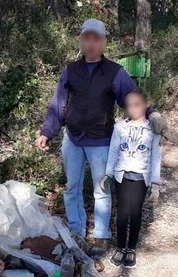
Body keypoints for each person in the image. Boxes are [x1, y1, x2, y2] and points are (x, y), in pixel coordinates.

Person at [37, 19, 166, 256]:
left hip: (102, 141)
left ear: (104, 42)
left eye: (96, 38)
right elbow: (58, 104)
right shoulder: (71, 70)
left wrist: (152, 113)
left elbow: (131, 98)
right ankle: (76, 230)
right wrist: (47, 131)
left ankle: (101, 236)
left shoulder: (115, 72)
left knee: (101, 189)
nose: (91, 43)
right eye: (87, 37)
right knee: (72, 188)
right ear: (81, 40)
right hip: (73, 139)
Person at [101, 87, 161, 268]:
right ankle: (121, 247)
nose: (133, 109)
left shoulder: (153, 129)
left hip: (141, 177)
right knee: (122, 213)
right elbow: (113, 151)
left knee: (135, 213)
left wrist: (155, 182)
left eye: (137, 105)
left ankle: (131, 249)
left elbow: (156, 156)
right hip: (122, 175)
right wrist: (108, 173)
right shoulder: (120, 127)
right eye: (129, 106)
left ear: (146, 105)